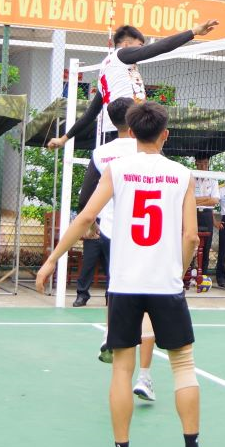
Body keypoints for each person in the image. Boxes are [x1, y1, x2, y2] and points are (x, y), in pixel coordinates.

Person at [36, 102, 216, 447]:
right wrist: (177, 272)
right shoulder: (182, 175)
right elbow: (190, 237)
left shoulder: (116, 170)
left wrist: (52, 260)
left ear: (131, 134)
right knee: (183, 366)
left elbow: (86, 217)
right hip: (165, 286)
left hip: (124, 285)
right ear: (165, 135)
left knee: (122, 367)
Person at [48, 19, 219, 150]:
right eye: (139, 46)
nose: (141, 50)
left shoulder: (111, 70)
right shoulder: (122, 55)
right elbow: (160, 47)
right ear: (125, 45)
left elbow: (91, 112)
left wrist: (64, 138)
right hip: (123, 132)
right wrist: (193, 32)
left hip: (120, 131)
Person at [72, 98, 136, 305]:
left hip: (106, 223)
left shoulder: (101, 153)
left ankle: (105, 304)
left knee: (111, 267)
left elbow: (84, 198)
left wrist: (90, 223)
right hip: (137, 226)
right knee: (122, 276)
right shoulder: (148, 150)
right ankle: (96, 296)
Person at [192, 155, 219, 291]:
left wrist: (197, 200)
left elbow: (214, 200)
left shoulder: (213, 179)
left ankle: (203, 276)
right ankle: (190, 273)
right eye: (201, 163)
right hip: (193, 213)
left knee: (206, 245)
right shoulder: (191, 178)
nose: (203, 166)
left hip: (207, 215)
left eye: (205, 163)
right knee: (191, 243)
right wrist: (205, 199)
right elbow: (188, 199)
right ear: (196, 163)